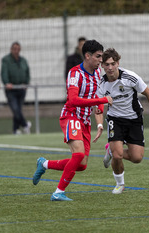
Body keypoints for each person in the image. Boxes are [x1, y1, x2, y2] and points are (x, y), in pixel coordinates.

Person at [32, 40, 113, 201]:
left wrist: (98, 122)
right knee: (78, 155)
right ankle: (58, 192)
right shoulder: (75, 74)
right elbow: (74, 100)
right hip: (71, 116)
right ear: (88, 56)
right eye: (98, 57)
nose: (100, 60)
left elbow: (97, 100)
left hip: (85, 121)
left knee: (81, 164)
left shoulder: (97, 74)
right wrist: (103, 100)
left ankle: (44, 164)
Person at [94, 48, 149, 194]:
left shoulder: (130, 77)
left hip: (134, 119)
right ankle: (120, 183)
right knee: (118, 154)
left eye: (113, 64)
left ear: (118, 63)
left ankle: (110, 150)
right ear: (102, 66)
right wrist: (100, 124)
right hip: (115, 120)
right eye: (106, 65)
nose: (110, 68)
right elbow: (99, 106)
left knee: (137, 158)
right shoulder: (101, 84)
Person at [1, 42, 31, 134]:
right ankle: (25, 124)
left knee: (18, 109)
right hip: (11, 89)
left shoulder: (23, 60)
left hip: (21, 89)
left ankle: (15, 129)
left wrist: (26, 83)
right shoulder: (6, 60)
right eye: (14, 49)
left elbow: (27, 73)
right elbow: (4, 73)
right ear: (11, 49)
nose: (16, 51)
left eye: (18, 49)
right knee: (15, 108)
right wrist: (7, 83)